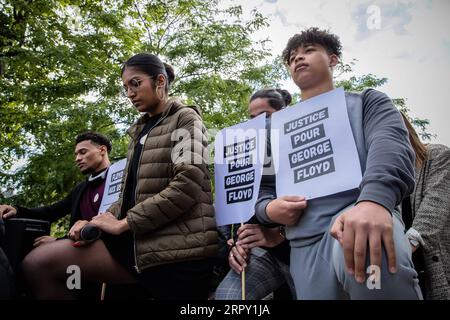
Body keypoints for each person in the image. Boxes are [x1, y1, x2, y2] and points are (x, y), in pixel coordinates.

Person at [18, 53, 218, 300]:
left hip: (179, 250)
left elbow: (187, 186)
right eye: (125, 88)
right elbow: (128, 197)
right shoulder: (138, 131)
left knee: (40, 263)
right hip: (139, 242)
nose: (130, 93)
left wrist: (124, 223)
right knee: (38, 262)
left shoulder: (184, 118)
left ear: (159, 81)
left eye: (136, 84)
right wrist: (95, 221)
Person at [255, 27, 422, 299]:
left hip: (362, 214)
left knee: (367, 245)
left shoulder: (368, 101)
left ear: (333, 60)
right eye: (292, 57)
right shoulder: (274, 129)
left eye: (309, 50)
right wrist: (268, 210)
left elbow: (391, 147)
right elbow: (261, 189)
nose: (298, 58)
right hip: (304, 245)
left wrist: (373, 202)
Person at [215, 89, 296, 300]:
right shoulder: (247, 158)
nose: (259, 124)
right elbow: (240, 212)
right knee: (228, 297)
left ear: (284, 113)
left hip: (302, 253)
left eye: (265, 117)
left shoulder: (299, 149)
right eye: (252, 119)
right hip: (265, 255)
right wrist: (238, 245)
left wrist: (279, 236)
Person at [0, 131, 112, 248]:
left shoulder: (122, 179)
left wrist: (59, 240)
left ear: (102, 150)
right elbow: (51, 212)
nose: (77, 158)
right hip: (80, 247)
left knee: (35, 261)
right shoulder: (80, 189)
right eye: (76, 154)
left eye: (83, 152)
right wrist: (16, 210)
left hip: (113, 248)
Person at [401, 112, 450, 300]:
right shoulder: (384, 172)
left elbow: (435, 204)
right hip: (404, 270)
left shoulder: (437, 155)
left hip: (431, 261)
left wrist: (403, 248)